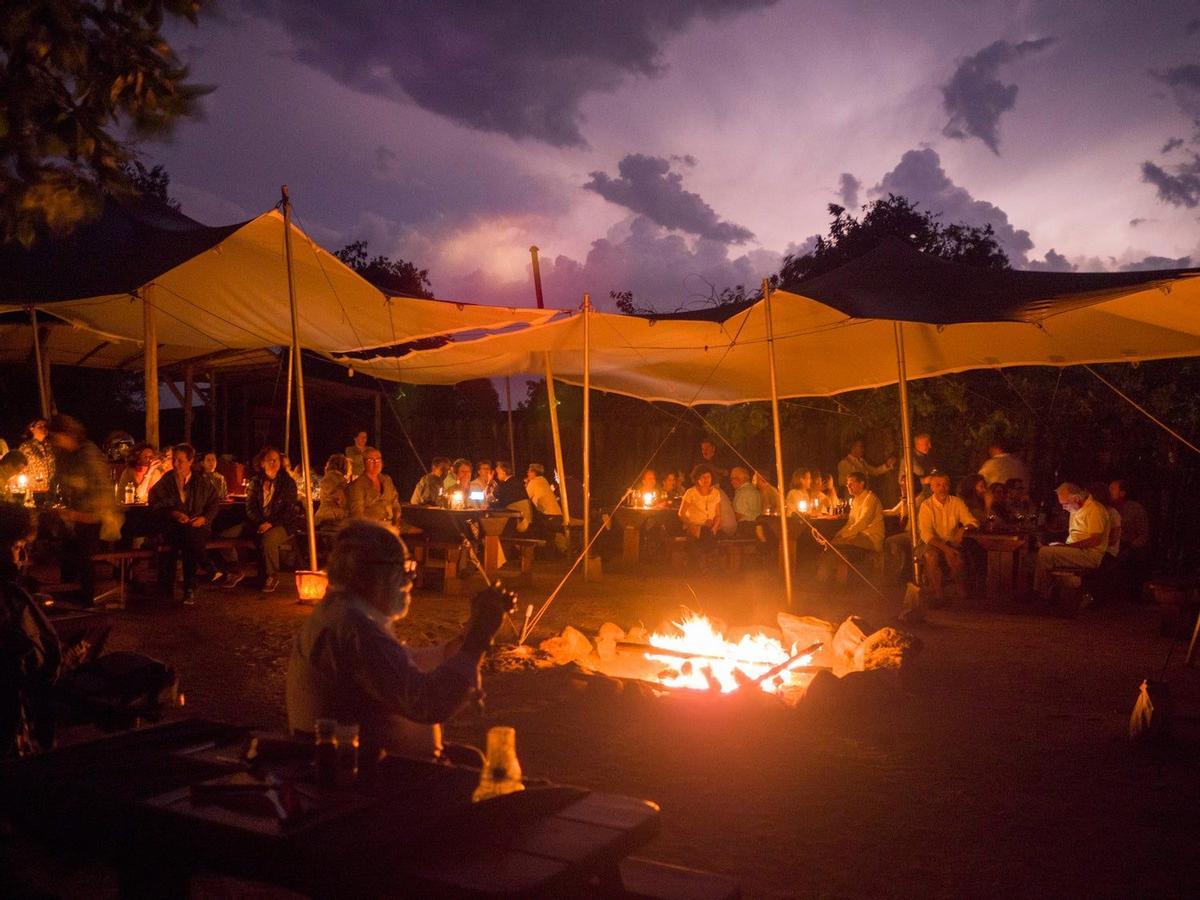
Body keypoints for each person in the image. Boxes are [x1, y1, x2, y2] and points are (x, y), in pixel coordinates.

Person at [286, 520, 516, 762]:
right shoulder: (355, 628)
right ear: (367, 572)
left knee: (472, 760)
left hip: (371, 761)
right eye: (403, 568)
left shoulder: (343, 614)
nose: (411, 579)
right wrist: (478, 638)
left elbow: (403, 663)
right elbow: (428, 703)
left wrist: (469, 634)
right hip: (376, 778)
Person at [1, 504, 60, 758]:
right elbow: (31, 660)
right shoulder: (7, 597)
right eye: (17, 547)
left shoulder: (12, 591)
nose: (24, 556)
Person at [48, 415, 121, 607]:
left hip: (94, 514)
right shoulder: (65, 455)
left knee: (83, 551)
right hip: (74, 512)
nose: (56, 442)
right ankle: (68, 593)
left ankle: (87, 599)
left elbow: (101, 490)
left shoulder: (88, 454)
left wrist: (84, 514)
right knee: (66, 550)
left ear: (68, 434)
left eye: (57, 437)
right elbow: (60, 481)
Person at [220, 446, 299, 593]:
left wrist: (270, 523)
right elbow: (250, 508)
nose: (274, 463)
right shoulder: (256, 482)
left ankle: (272, 576)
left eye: (277, 460)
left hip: (282, 524)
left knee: (268, 539)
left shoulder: (287, 483)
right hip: (258, 523)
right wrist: (260, 522)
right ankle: (235, 569)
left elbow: (288, 510)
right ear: (262, 463)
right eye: (270, 460)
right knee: (225, 536)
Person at [148, 443, 219, 604]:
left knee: (190, 538)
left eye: (180, 460)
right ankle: (201, 575)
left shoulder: (201, 482)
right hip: (174, 527)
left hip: (197, 525)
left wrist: (204, 518)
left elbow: (214, 502)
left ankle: (190, 586)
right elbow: (154, 501)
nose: (175, 464)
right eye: (174, 460)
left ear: (190, 461)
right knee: (188, 538)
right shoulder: (166, 481)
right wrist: (173, 513)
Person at [1034, 483, 1110, 599]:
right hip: (1076, 550)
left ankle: (1041, 594)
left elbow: (1095, 540)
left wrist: (1067, 547)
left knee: (1045, 553)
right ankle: (1050, 591)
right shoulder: (1076, 509)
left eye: (1065, 504)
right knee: (1045, 549)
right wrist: (1062, 546)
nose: (1063, 508)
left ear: (1076, 499)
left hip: (1089, 554)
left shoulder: (1095, 510)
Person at [917, 473, 978, 603]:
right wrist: (946, 549)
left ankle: (960, 590)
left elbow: (972, 521)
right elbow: (927, 535)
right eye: (938, 485)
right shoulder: (926, 505)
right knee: (931, 556)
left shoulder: (956, 502)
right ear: (932, 488)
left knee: (956, 557)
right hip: (933, 542)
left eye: (945, 485)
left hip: (951, 541)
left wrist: (964, 528)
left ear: (949, 486)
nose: (942, 488)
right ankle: (938, 594)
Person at [818, 472, 885, 578]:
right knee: (831, 544)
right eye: (847, 484)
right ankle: (825, 579)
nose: (848, 486)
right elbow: (850, 523)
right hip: (858, 535)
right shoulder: (855, 501)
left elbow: (862, 523)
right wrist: (838, 534)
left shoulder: (870, 498)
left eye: (852, 483)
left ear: (861, 484)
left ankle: (837, 582)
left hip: (871, 537)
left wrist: (844, 536)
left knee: (837, 544)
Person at [348, 449, 402, 530]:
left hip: (390, 525)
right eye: (371, 460)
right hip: (371, 528)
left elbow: (395, 504)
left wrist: (396, 523)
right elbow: (357, 513)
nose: (375, 463)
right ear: (364, 462)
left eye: (378, 459)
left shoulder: (387, 480)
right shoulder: (358, 485)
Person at [679, 464, 721, 548]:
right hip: (694, 528)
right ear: (697, 478)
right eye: (703, 477)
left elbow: (718, 515)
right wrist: (691, 526)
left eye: (708, 476)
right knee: (704, 538)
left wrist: (715, 527)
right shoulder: (690, 492)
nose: (706, 479)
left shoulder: (716, 493)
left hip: (711, 528)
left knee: (710, 536)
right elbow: (681, 513)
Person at [1109, 479, 1149, 561]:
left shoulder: (1135, 509)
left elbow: (1143, 535)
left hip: (1127, 549)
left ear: (1122, 493)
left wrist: (1130, 548)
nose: (1108, 492)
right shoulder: (1108, 508)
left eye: (1112, 489)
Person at [18, 419, 54, 498]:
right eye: (40, 427)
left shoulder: (50, 446)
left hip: (50, 490)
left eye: (45, 426)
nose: (44, 428)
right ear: (32, 429)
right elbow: (20, 469)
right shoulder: (26, 447)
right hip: (34, 491)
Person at [315, 453, 351, 531]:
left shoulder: (330, 477)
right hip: (331, 517)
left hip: (324, 515)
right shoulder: (336, 479)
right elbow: (341, 499)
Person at [730, 467, 762, 537]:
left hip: (745, 527)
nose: (731, 482)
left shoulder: (742, 492)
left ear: (738, 479)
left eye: (732, 479)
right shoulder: (754, 490)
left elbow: (738, 515)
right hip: (757, 526)